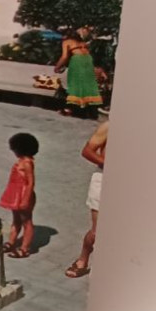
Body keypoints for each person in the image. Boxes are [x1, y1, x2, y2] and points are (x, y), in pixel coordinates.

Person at [66, 117, 108, 278]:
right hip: (104, 178)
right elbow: (87, 151)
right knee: (98, 231)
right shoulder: (109, 126)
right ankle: (83, 259)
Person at [0, 132, 39, 259]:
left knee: (26, 221)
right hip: (15, 194)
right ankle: (11, 242)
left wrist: (26, 199)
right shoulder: (21, 161)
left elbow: (31, 182)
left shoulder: (27, 163)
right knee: (16, 220)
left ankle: (25, 248)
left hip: (23, 195)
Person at [55, 26, 102, 117]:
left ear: (66, 35)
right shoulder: (82, 43)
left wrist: (57, 67)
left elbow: (64, 57)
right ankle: (81, 110)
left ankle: (68, 108)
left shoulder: (66, 42)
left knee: (64, 84)